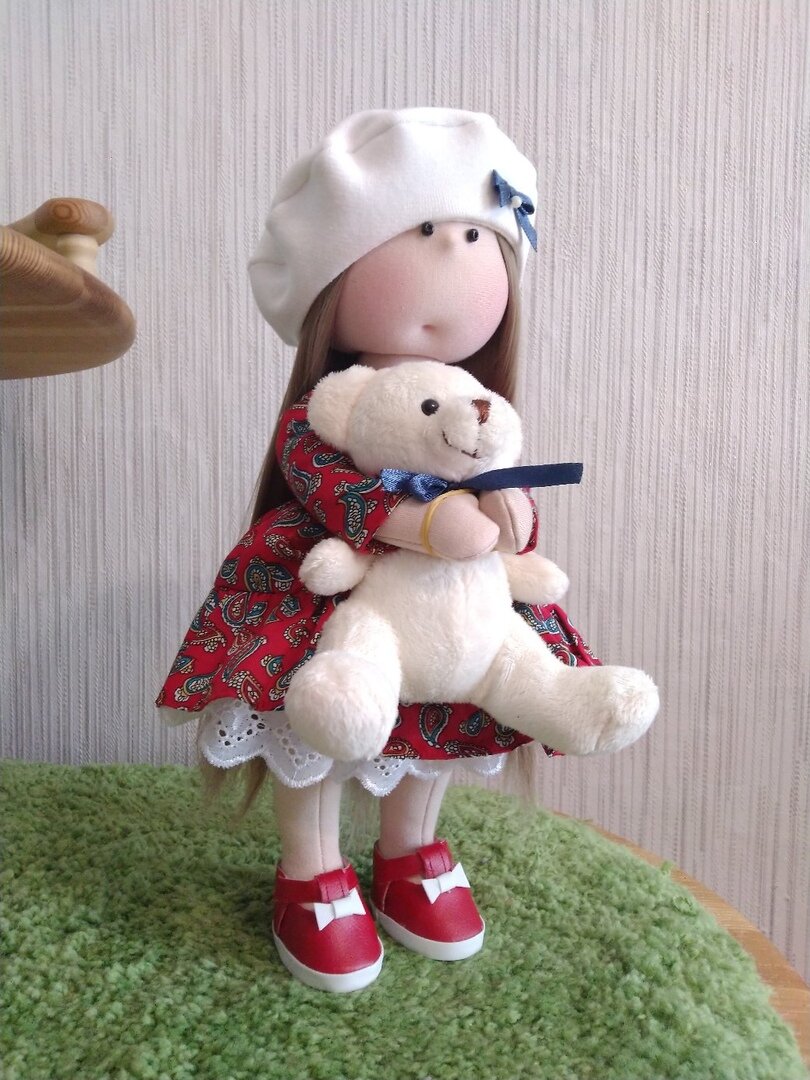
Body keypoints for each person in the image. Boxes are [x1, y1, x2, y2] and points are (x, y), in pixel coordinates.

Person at [158, 108, 609, 992]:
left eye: (478, 236)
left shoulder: (481, 409)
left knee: (449, 705)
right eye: (428, 230)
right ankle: (311, 870)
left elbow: (506, 488)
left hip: (453, 601)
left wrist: (508, 515)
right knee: (318, 714)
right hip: (327, 588)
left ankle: (410, 852)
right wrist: (425, 526)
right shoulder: (327, 411)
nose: (456, 257)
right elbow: (326, 486)